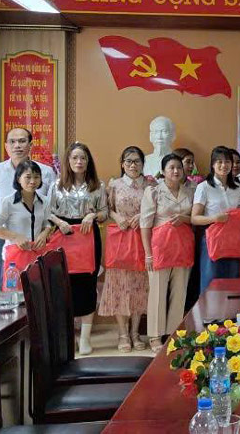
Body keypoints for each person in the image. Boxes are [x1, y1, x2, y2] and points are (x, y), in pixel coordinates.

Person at [48, 142, 108, 355]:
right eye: (75, 158)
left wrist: (92, 215)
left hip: (88, 236)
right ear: (68, 161)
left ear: (88, 161)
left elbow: (105, 212)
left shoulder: (98, 185)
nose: (79, 162)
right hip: (63, 235)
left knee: (87, 285)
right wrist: (59, 222)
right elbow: (48, 211)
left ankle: (85, 338)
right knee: (64, 286)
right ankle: (68, 337)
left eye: (83, 158)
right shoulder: (57, 185)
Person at [0, 127, 55, 289]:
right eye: (12, 142)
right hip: (5, 240)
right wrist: (0, 231)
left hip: (37, 242)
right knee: (7, 288)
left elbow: (52, 210)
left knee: (39, 290)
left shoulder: (46, 172)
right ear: (6, 146)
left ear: (31, 145)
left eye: (22, 141)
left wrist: (45, 232)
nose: (17, 146)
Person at [99, 146, 152, 353]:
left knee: (140, 285)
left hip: (142, 239)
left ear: (142, 164)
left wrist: (143, 216)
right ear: (122, 164)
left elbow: (155, 209)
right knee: (120, 285)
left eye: (136, 161)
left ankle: (135, 332)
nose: (132, 165)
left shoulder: (150, 185)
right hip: (120, 239)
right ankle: (122, 333)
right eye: (128, 161)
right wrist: (117, 216)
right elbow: (106, 209)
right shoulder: (114, 184)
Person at [140, 153, 194, 353]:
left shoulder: (190, 190)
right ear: (163, 171)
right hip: (160, 248)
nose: (176, 171)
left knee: (179, 293)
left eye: (179, 167)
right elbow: (144, 224)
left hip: (183, 246)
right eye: (171, 167)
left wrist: (185, 219)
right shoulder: (153, 191)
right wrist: (148, 253)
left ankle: (173, 333)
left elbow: (195, 217)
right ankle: (155, 336)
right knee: (158, 292)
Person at [191, 146, 240, 292]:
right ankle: (209, 315)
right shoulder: (203, 187)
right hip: (212, 239)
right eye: (219, 162)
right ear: (212, 164)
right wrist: (214, 218)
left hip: (233, 241)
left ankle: (229, 315)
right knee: (210, 282)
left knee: (231, 282)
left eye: (227, 162)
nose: (224, 165)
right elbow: (194, 218)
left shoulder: (238, 188)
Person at [0, 160, 53, 276]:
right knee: (14, 292)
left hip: (38, 256)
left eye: (36, 177)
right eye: (28, 177)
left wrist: (44, 234)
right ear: (18, 179)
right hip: (14, 257)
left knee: (37, 292)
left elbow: (47, 222)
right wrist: (16, 237)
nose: (32, 181)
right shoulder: (7, 202)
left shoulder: (44, 201)